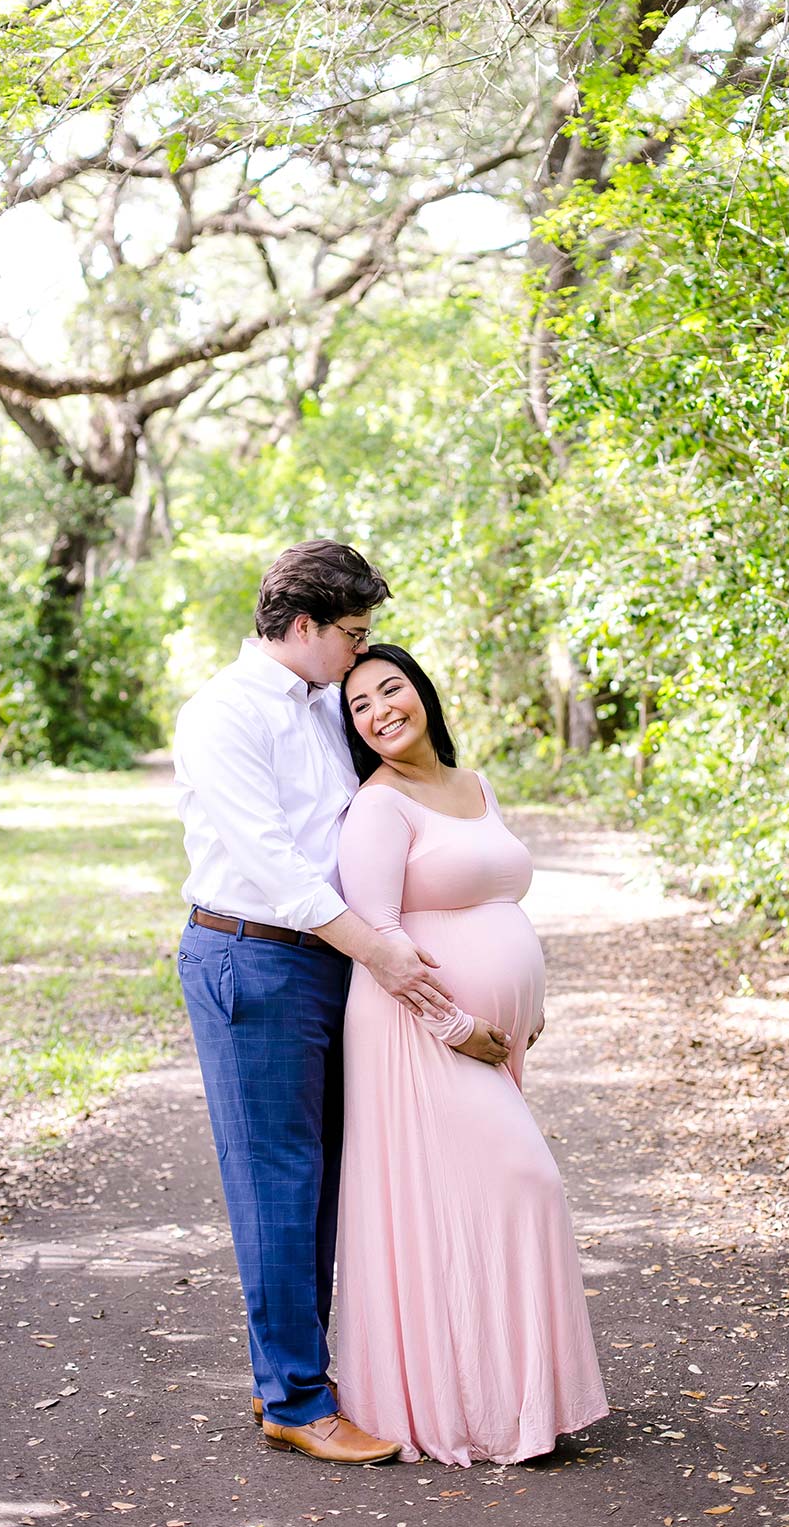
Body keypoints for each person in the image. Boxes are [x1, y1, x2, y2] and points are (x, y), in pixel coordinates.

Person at [173, 542, 454, 1466]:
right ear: (303, 627)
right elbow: (274, 865)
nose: (362, 653)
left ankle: (317, 1374)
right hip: (254, 960)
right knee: (279, 1184)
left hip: (328, 961)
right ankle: (293, 1396)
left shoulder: (324, 701)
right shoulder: (223, 714)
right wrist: (381, 952)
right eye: (354, 634)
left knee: (335, 1176)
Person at [335, 644, 609, 1466]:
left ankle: (513, 1404)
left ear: (423, 692)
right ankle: (480, 1406)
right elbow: (378, 938)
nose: (382, 709)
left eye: (393, 688)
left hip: (489, 1035)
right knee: (525, 1181)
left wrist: (530, 997)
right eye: (359, 705)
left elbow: (496, 898)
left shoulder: (472, 784)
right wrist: (458, 1024)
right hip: (416, 1034)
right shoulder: (378, 808)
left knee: (473, 1204)